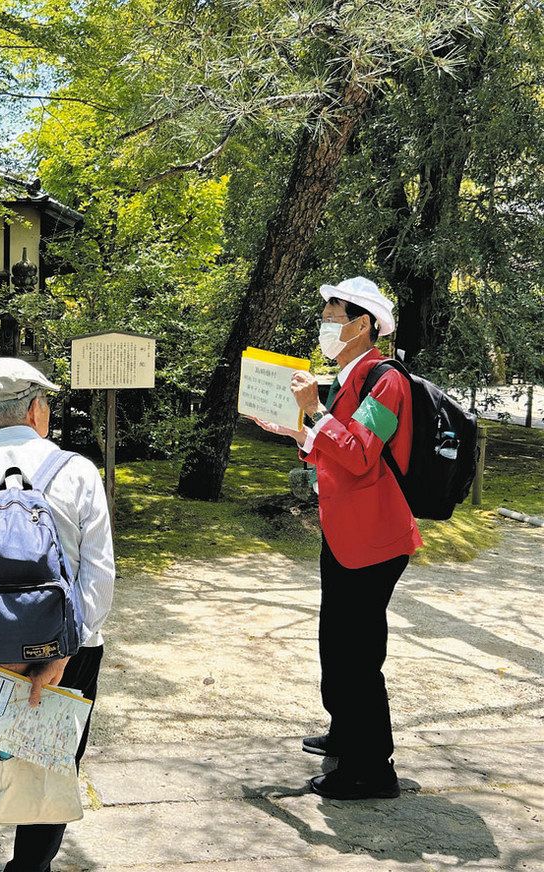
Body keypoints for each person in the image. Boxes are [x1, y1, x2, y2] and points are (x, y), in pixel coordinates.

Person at [0, 358, 116, 872]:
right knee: (52, 750)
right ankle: (31, 865)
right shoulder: (77, 472)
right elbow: (99, 572)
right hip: (69, 646)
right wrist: (65, 651)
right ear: (35, 410)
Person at [253, 276, 421, 800]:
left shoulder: (386, 381)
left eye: (334, 317)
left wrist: (315, 411)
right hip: (346, 532)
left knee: (357, 652)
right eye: (325, 316)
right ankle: (347, 731)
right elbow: (337, 447)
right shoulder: (352, 377)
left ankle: (371, 769)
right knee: (336, 639)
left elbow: (360, 454)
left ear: (363, 324)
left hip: (374, 538)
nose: (325, 325)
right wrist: (297, 432)